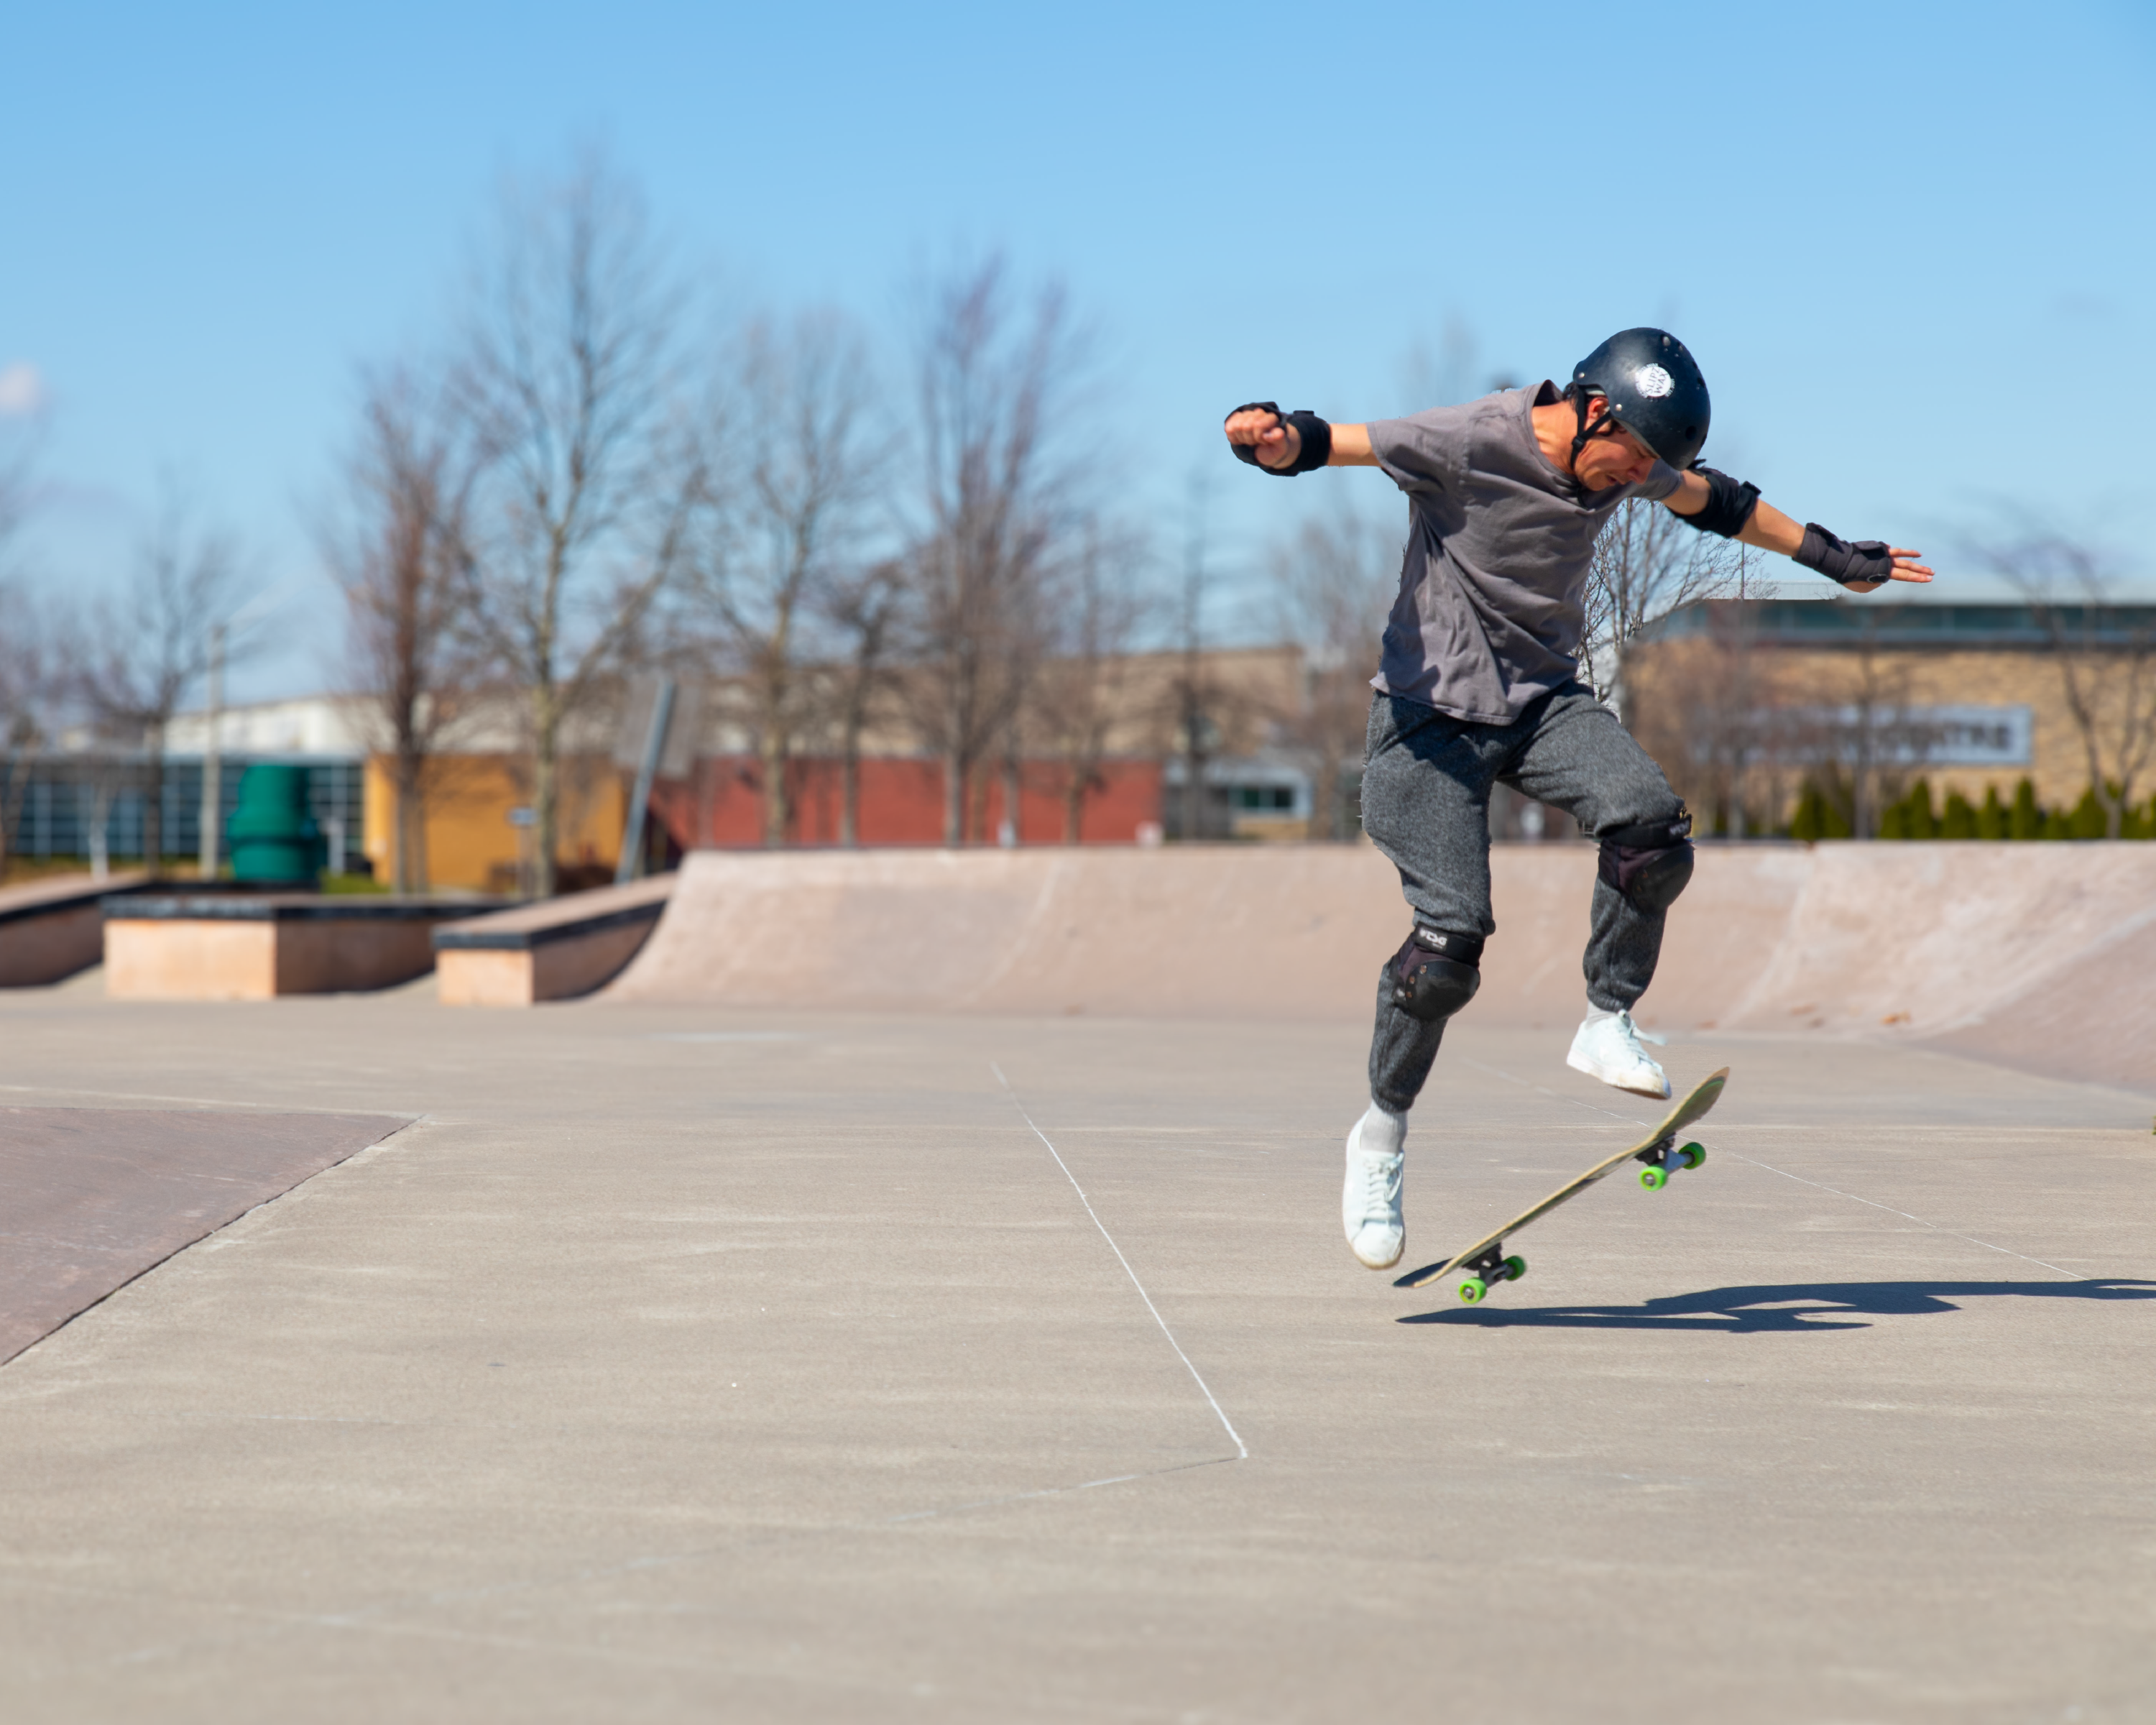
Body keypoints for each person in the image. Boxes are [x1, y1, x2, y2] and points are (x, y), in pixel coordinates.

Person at [1222, 328, 1934, 1270]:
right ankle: (1380, 1137)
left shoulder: (1626, 459)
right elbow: (1335, 443)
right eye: (1628, 458)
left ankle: (1607, 1021)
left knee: (1653, 829)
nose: (1630, 480)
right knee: (1446, 955)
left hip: (1541, 708)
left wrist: (1834, 557)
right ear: (1592, 411)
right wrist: (1268, 438)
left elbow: (1718, 503)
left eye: (1646, 466)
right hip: (1425, 725)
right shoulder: (1471, 439)